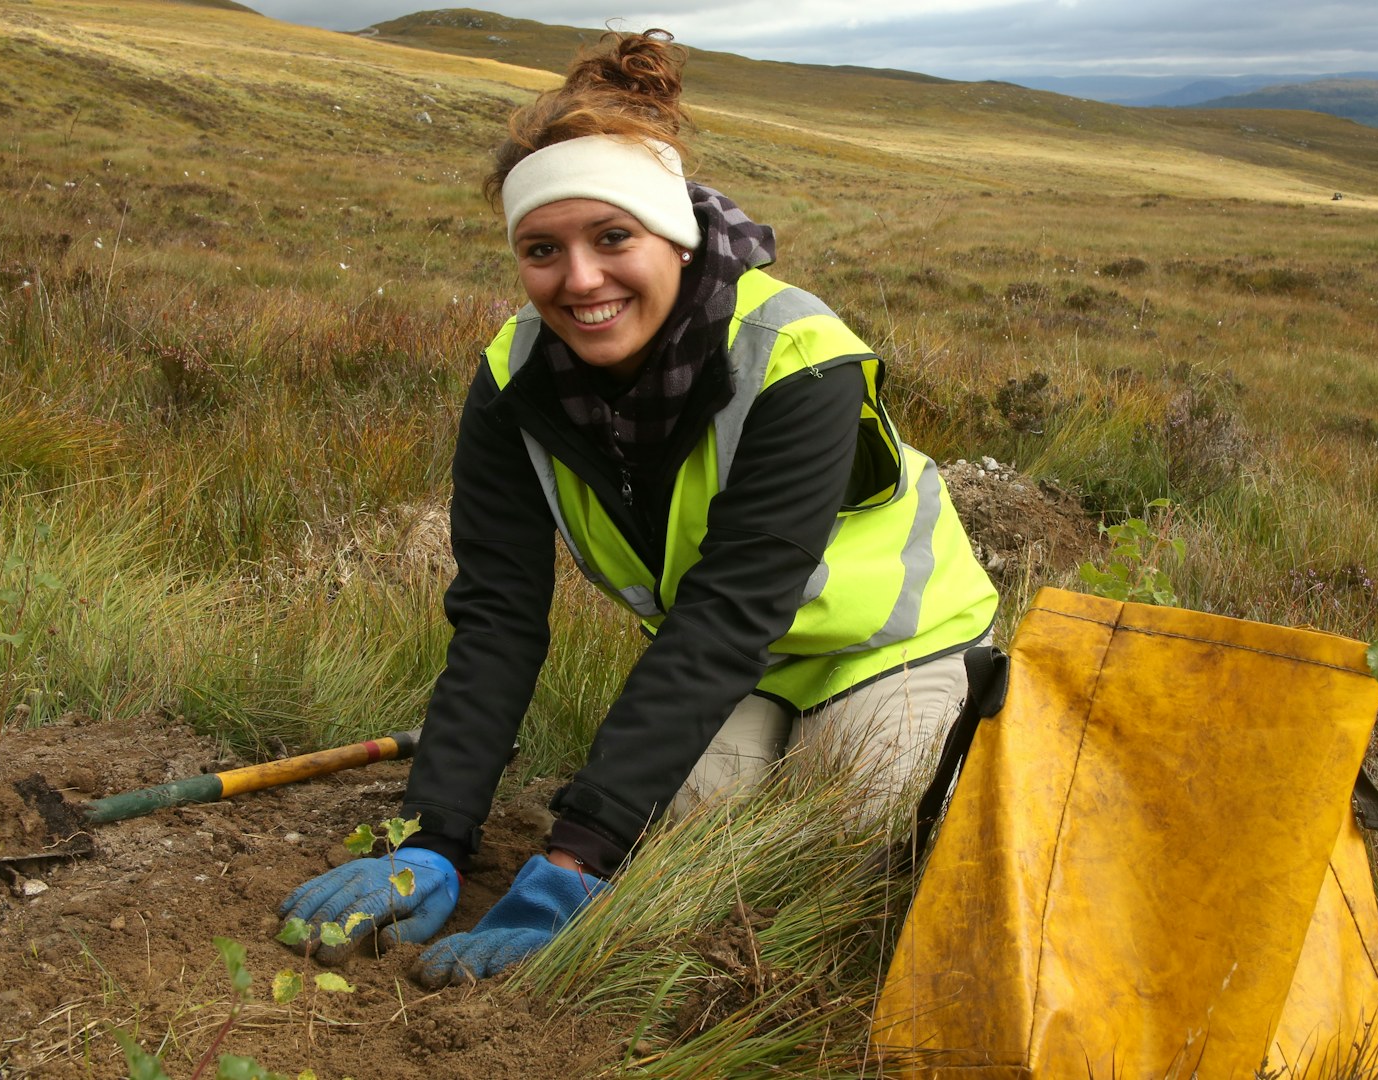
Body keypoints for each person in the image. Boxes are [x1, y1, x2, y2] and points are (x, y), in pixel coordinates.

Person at [280, 28, 998, 989]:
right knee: (673, 864)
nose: (580, 281)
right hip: (738, 672)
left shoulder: (799, 356)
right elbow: (497, 617)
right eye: (543, 250)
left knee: (828, 855)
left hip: (889, 648)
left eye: (612, 237)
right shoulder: (512, 378)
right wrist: (433, 834)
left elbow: (729, 609)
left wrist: (571, 860)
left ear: (675, 234)